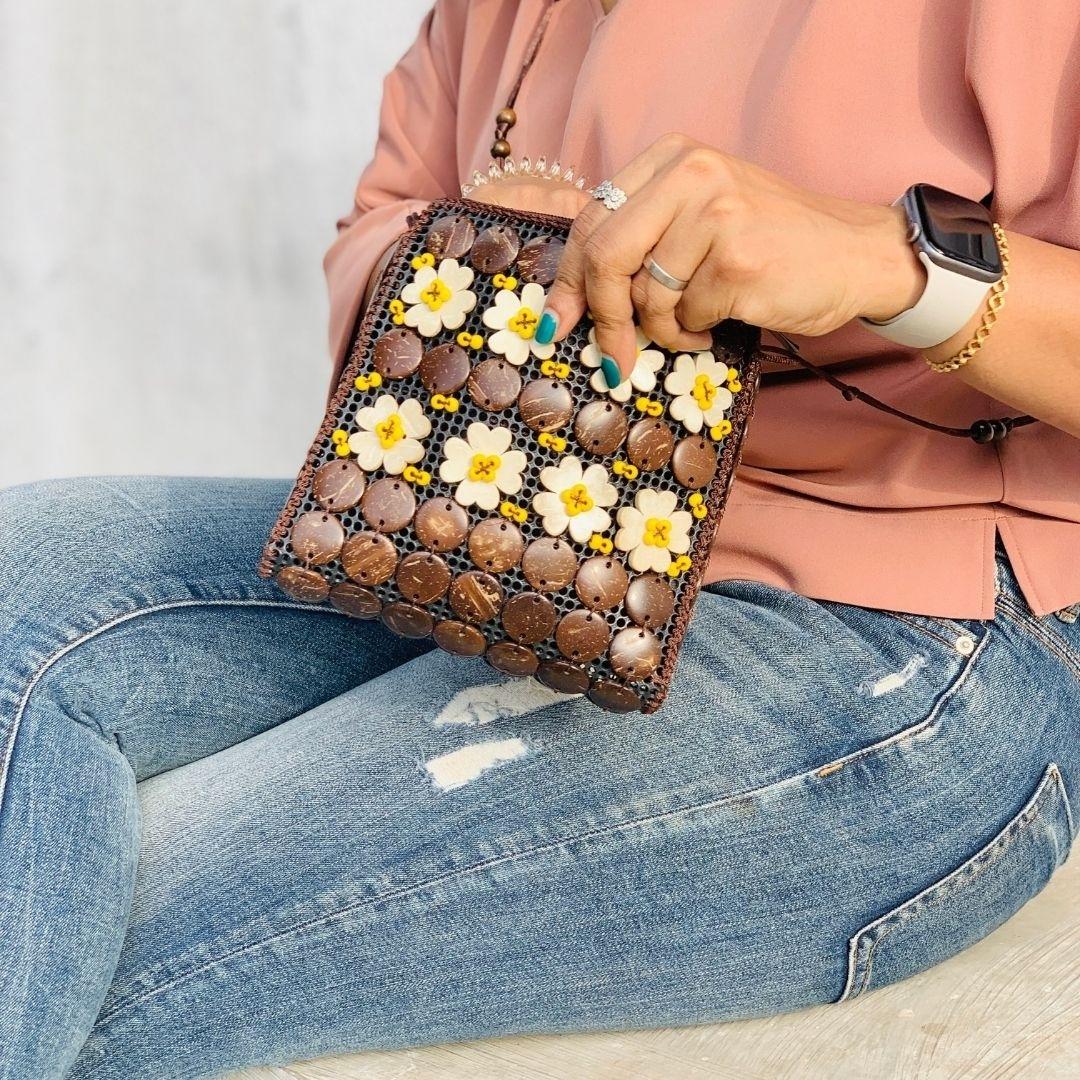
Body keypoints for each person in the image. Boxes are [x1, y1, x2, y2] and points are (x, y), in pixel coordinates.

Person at [2, 1, 1078, 1077]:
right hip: (502, 531)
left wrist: (900, 267)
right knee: (26, 573)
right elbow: (381, 216)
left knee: (82, 936)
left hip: (904, 613)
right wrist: (475, 253)